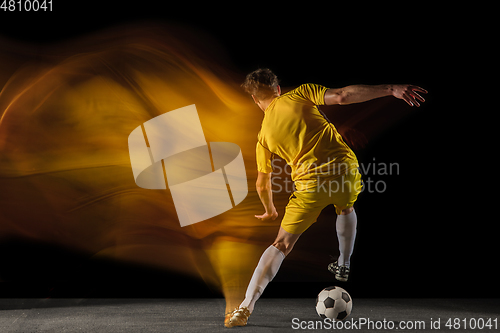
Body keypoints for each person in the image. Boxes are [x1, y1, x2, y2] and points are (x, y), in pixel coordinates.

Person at [224, 68, 427, 328]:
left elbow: (263, 182)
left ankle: (244, 308)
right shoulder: (299, 94)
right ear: (277, 89)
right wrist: (391, 89)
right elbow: (342, 96)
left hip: (309, 187)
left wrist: (270, 209)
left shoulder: (263, 138)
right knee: (346, 207)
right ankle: (344, 263)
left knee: (282, 244)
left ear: (255, 99)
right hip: (344, 170)